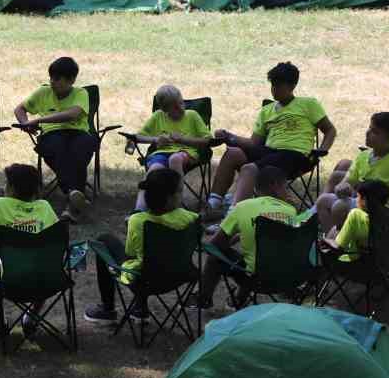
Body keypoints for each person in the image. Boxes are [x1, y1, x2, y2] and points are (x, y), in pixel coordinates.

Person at [206, 62, 335, 214]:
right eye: (272, 85)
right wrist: (230, 137)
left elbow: (330, 130)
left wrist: (322, 150)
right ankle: (213, 205)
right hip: (269, 152)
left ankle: (234, 218)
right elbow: (253, 143)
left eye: (279, 86)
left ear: (292, 86)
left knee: (249, 169)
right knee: (233, 152)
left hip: (296, 155)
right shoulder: (266, 111)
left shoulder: (308, 104)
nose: (274, 90)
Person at [86, 166, 200, 324]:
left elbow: (130, 254)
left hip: (145, 281)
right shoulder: (191, 218)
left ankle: (108, 309)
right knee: (149, 260)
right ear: (170, 198)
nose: (181, 195)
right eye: (179, 191)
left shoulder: (138, 221)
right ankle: (139, 308)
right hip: (181, 274)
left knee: (105, 240)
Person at [198, 164, 298, 308]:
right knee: (254, 256)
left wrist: (236, 237)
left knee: (220, 256)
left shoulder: (243, 207)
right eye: (286, 187)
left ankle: (203, 299)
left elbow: (215, 245)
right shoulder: (291, 211)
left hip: (254, 278)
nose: (287, 192)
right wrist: (241, 236)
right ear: (275, 186)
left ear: (256, 189)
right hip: (285, 278)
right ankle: (237, 300)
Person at [0, 163, 61, 335]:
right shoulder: (45, 207)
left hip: (10, 281)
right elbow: (56, 248)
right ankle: (32, 317)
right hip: (44, 281)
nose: (4, 186)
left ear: (13, 188)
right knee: (45, 262)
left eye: (6, 183)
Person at [14, 56, 96, 220]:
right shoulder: (43, 91)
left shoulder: (81, 93)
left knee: (81, 148)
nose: (52, 82)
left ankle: (71, 199)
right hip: (51, 134)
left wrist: (38, 120)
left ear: (71, 80)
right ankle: (74, 198)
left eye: (57, 79)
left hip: (78, 132)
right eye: (51, 77)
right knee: (57, 147)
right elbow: (19, 109)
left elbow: (73, 114)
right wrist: (25, 124)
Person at [314, 112, 389, 236]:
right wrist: (342, 187)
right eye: (369, 128)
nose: (368, 133)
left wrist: (387, 211)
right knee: (323, 201)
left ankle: (343, 246)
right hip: (360, 203)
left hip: (381, 210)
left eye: (375, 132)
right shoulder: (363, 156)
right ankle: (331, 239)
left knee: (340, 206)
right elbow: (345, 182)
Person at [133, 84, 214, 210]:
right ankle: (139, 209)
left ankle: (176, 204)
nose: (180, 108)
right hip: (161, 153)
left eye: (181, 103)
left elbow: (208, 140)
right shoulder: (158, 116)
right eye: (175, 107)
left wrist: (183, 139)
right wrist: (156, 139)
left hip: (186, 153)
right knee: (154, 168)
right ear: (165, 110)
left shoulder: (192, 115)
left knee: (174, 159)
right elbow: (138, 137)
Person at [321, 178, 389, 264]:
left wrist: (324, 240)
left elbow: (338, 246)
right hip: (383, 267)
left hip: (356, 264)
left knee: (330, 238)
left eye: (357, 196)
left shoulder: (356, 215)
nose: (356, 199)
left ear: (364, 200)